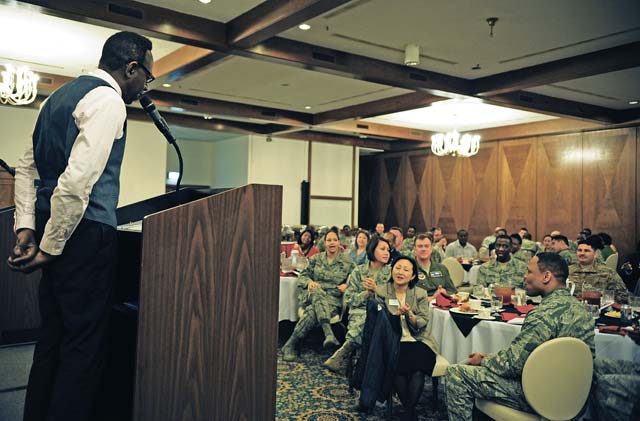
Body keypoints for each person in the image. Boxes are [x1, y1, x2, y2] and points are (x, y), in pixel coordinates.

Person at [7, 31, 154, 421]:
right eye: (148, 78)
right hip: (84, 236)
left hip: (51, 231)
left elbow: (27, 167)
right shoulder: (108, 101)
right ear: (132, 68)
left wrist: (27, 229)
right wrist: (50, 246)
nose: (145, 87)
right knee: (83, 349)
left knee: (52, 340)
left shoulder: (55, 98)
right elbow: (76, 182)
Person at [445, 253, 595, 421]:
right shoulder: (583, 310)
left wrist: (483, 360)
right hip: (574, 397)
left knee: (457, 373)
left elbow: (513, 365)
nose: (524, 276)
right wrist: (489, 357)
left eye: (529, 271)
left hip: (541, 396)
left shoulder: (543, 314)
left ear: (546, 276)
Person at [374, 256, 439, 421]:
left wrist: (410, 315)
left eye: (406, 269)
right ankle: (410, 413)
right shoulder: (381, 291)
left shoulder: (420, 293)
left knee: (418, 368)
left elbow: (423, 323)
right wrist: (393, 317)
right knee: (396, 366)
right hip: (393, 341)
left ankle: (408, 412)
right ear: (392, 270)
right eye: (398, 267)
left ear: (412, 276)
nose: (400, 272)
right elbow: (377, 322)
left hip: (417, 339)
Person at [282, 228, 356, 361]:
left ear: (339, 242)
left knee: (312, 312)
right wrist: (309, 282)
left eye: (334, 240)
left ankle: (290, 344)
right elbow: (303, 275)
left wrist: (347, 285)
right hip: (312, 295)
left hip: (333, 299)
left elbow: (358, 279)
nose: (332, 242)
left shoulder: (347, 262)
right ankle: (328, 333)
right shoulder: (316, 259)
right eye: (329, 240)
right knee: (316, 290)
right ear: (325, 243)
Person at [324, 236, 391, 374]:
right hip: (359, 311)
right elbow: (349, 299)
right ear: (372, 250)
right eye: (382, 249)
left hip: (382, 311)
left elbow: (394, 299)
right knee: (365, 320)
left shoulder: (391, 273)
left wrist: (376, 290)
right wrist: (366, 294)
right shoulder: (359, 271)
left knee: (372, 319)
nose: (387, 253)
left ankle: (343, 352)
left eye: (388, 250)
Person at [568, 235, 629, 303]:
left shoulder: (607, 272)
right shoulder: (567, 271)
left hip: (599, 308)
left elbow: (623, 296)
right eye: (579, 250)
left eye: (587, 251)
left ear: (595, 254)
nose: (582, 253)